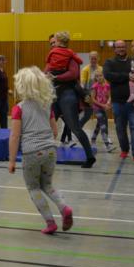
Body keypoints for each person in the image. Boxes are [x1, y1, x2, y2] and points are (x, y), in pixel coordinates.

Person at [8, 66, 73, 235]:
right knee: (48, 184)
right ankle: (64, 207)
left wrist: (12, 160)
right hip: (50, 150)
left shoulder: (19, 108)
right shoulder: (46, 105)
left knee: (33, 187)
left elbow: (15, 136)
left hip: (31, 152)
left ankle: (50, 222)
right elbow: (55, 131)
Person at [45, 32, 96, 168]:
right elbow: (46, 72)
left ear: (60, 42)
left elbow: (73, 74)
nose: (53, 45)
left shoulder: (70, 56)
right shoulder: (53, 57)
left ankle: (90, 157)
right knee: (47, 125)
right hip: (54, 95)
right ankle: (43, 154)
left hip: (67, 95)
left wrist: (56, 77)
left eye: (54, 42)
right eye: (51, 43)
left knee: (75, 127)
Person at [103, 40, 134, 161]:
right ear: (114, 49)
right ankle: (124, 149)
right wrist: (127, 76)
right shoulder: (109, 62)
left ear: (126, 48)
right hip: (118, 102)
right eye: (118, 47)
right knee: (120, 128)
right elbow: (108, 75)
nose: (121, 49)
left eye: (123, 47)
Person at [90, 72, 114, 152]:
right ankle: (107, 145)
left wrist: (108, 103)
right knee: (103, 126)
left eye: (100, 75)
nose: (99, 77)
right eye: (97, 76)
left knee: (99, 125)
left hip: (104, 108)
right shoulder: (94, 86)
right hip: (97, 108)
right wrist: (103, 105)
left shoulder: (107, 85)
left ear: (103, 76)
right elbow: (93, 99)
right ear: (95, 78)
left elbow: (110, 96)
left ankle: (93, 139)